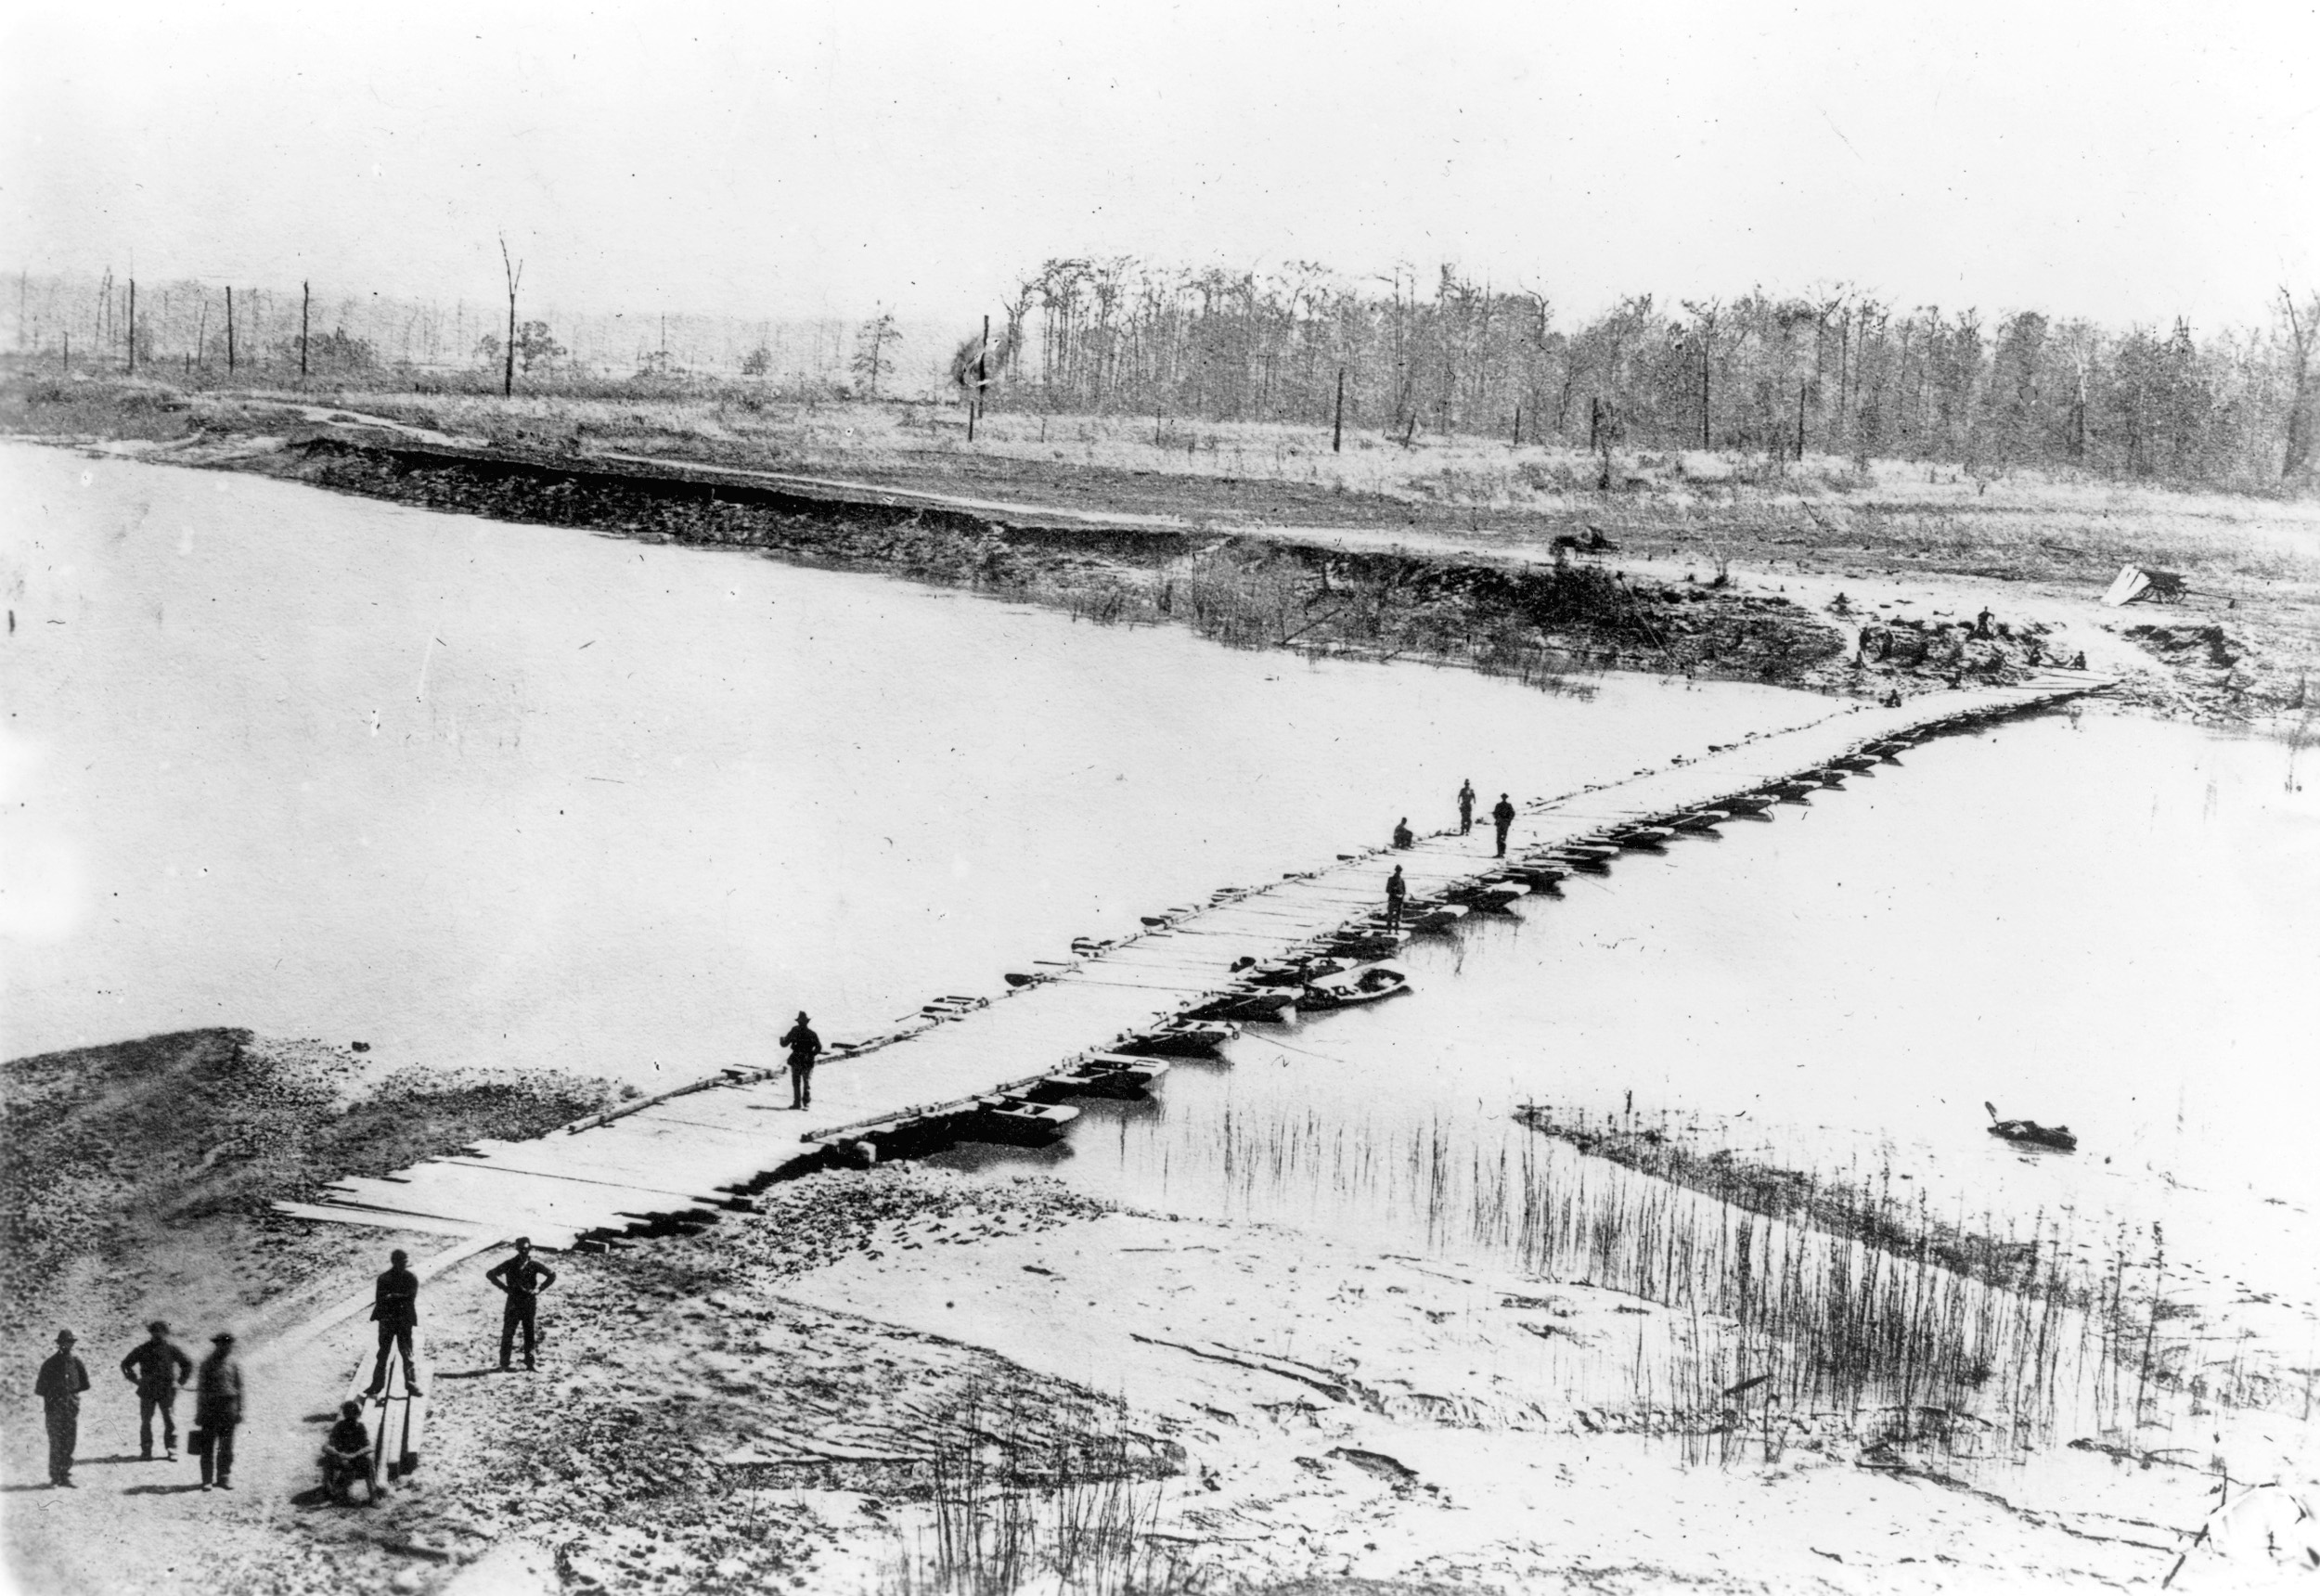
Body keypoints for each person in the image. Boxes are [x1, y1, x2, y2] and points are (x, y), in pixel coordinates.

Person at [120, 1319, 193, 1461]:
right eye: (155, 1332)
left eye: (161, 1332)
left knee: (170, 1420)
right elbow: (125, 1364)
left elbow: (187, 1364)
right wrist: (135, 1380)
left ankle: (172, 1449)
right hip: (148, 1390)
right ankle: (146, 1451)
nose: (158, 1335)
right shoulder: (142, 1349)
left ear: (166, 1333)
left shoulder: (171, 1349)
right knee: (146, 1421)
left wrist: (180, 1382)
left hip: (167, 1390)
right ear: (151, 1333)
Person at [485, 1237, 560, 1372]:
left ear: (530, 1249)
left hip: (529, 1302)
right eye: (521, 1249)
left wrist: (539, 1289)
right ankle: (504, 1364)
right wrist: (505, 1288)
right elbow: (490, 1274)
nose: (523, 1251)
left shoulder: (534, 1265)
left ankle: (530, 1363)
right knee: (508, 1332)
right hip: (513, 1302)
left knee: (529, 1333)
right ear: (517, 1248)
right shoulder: (510, 1264)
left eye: (526, 1249)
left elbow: (552, 1275)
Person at [34, 1330, 90, 1488]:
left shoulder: (76, 1362)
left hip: (71, 1408)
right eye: (64, 1342)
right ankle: (55, 1477)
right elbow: (41, 1389)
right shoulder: (49, 1364)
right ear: (58, 1344)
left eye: (70, 1342)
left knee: (69, 1442)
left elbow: (84, 1384)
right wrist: (54, 1400)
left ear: (73, 1344)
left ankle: (65, 1475)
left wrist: (73, 1398)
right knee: (56, 1443)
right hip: (54, 1408)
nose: (67, 1345)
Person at [365, 1250, 422, 1396]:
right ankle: (377, 1385)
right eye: (401, 1261)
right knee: (383, 1353)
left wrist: (392, 1296)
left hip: (403, 1321)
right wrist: (397, 1297)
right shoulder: (384, 1278)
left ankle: (411, 1384)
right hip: (388, 1320)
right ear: (394, 1262)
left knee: (407, 1353)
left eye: (405, 1261)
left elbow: (410, 1298)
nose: (404, 1264)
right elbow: (381, 1299)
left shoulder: (411, 1278)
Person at [193, 1332, 243, 1491]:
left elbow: (240, 1387)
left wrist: (240, 1410)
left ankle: (223, 1477)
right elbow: (201, 1390)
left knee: (226, 1446)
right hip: (210, 1409)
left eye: (229, 1344)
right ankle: (206, 1479)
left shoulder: (233, 1364)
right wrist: (200, 1412)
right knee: (207, 1446)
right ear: (217, 1345)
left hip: (229, 1408)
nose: (227, 1347)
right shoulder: (207, 1364)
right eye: (223, 1344)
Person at [318, 1398, 375, 1504]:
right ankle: (329, 1493)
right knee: (328, 1460)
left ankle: (373, 1497)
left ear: (357, 1415)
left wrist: (354, 1455)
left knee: (368, 1461)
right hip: (341, 1458)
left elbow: (370, 1447)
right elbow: (326, 1446)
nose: (350, 1417)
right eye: (347, 1414)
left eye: (353, 1415)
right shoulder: (339, 1426)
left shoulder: (360, 1427)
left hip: (356, 1459)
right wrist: (339, 1454)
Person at [780, 1011, 822, 1110]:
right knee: (806, 1082)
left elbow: (785, 1044)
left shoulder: (795, 1030)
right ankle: (805, 1104)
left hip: (796, 1059)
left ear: (799, 1022)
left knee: (796, 1082)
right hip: (807, 1061)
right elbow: (818, 1047)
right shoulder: (812, 1033)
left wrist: (781, 1040)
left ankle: (797, 1103)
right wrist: (811, 1054)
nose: (801, 1023)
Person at [1491, 793, 1516, 857]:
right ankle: (1501, 853)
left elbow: (1495, 813)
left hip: (1501, 823)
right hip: (1504, 823)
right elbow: (1512, 814)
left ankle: (1500, 853)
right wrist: (1509, 820)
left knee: (1499, 838)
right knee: (1502, 838)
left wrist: (1498, 819)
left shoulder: (1499, 805)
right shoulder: (1508, 805)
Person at [1384, 866, 1407, 933]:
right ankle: (1389, 930)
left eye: (1399, 871)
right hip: (1392, 899)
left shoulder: (1402, 880)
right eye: (1398, 871)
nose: (1398, 872)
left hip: (1399, 900)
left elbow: (1404, 891)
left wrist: (1401, 895)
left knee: (1398, 916)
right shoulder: (1391, 879)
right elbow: (1387, 890)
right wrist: (1394, 894)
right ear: (1395, 871)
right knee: (1390, 915)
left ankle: (1396, 930)